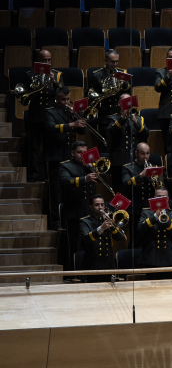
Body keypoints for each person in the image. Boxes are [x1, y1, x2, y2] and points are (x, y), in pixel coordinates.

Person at [18, 49, 64, 183]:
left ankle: (50, 176)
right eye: (44, 60)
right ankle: (33, 177)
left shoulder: (57, 75)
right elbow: (24, 96)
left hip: (51, 118)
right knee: (34, 148)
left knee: (51, 148)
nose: (47, 62)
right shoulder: (30, 75)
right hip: (35, 116)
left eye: (49, 60)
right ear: (38, 60)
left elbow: (63, 93)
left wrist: (54, 82)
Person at [44, 87, 86, 231]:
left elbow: (82, 131)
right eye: (63, 99)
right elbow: (50, 127)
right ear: (57, 99)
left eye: (68, 99)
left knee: (70, 191)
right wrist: (71, 125)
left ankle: (68, 220)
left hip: (70, 157)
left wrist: (78, 117)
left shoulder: (71, 111)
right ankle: (55, 222)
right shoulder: (50, 111)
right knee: (56, 192)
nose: (66, 102)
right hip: (56, 156)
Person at [58, 141, 98, 266]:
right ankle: (73, 272)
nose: (82, 155)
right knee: (74, 244)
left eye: (84, 152)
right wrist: (85, 179)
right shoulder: (65, 166)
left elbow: (104, 179)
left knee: (90, 243)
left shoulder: (89, 166)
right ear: (72, 153)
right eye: (79, 152)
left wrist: (94, 168)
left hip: (89, 211)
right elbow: (65, 181)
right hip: (73, 212)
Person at [107, 93, 149, 194]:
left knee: (134, 189)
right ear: (119, 103)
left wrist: (135, 121)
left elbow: (146, 134)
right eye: (124, 102)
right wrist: (123, 117)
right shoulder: (113, 118)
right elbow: (111, 131)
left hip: (134, 160)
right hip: (119, 161)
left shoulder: (139, 119)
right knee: (119, 189)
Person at [79, 195, 126, 282]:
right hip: (93, 264)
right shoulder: (85, 222)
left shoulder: (108, 220)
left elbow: (119, 237)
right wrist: (102, 228)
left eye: (102, 204)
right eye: (97, 205)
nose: (100, 207)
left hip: (108, 264)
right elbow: (86, 239)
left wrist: (111, 225)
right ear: (91, 207)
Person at [88, 49, 130, 135]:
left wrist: (124, 83)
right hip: (104, 115)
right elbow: (91, 95)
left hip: (119, 114)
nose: (115, 64)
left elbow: (129, 92)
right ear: (106, 60)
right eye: (112, 62)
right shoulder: (97, 75)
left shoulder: (122, 73)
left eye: (117, 61)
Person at [138, 196, 172, 279]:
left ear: (167, 199)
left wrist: (166, 221)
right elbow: (140, 229)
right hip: (151, 257)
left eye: (164, 197)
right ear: (154, 198)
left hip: (168, 258)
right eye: (159, 196)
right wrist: (155, 216)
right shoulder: (146, 212)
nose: (161, 199)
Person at [122, 142, 164, 213]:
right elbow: (126, 183)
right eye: (142, 154)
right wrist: (141, 175)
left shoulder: (154, 168)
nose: (145, 156)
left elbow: (162, 186)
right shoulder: (128, 168)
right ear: (136, 153)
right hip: (135, 206)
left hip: (150, 205)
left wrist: (154, 179)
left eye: (147, 153)